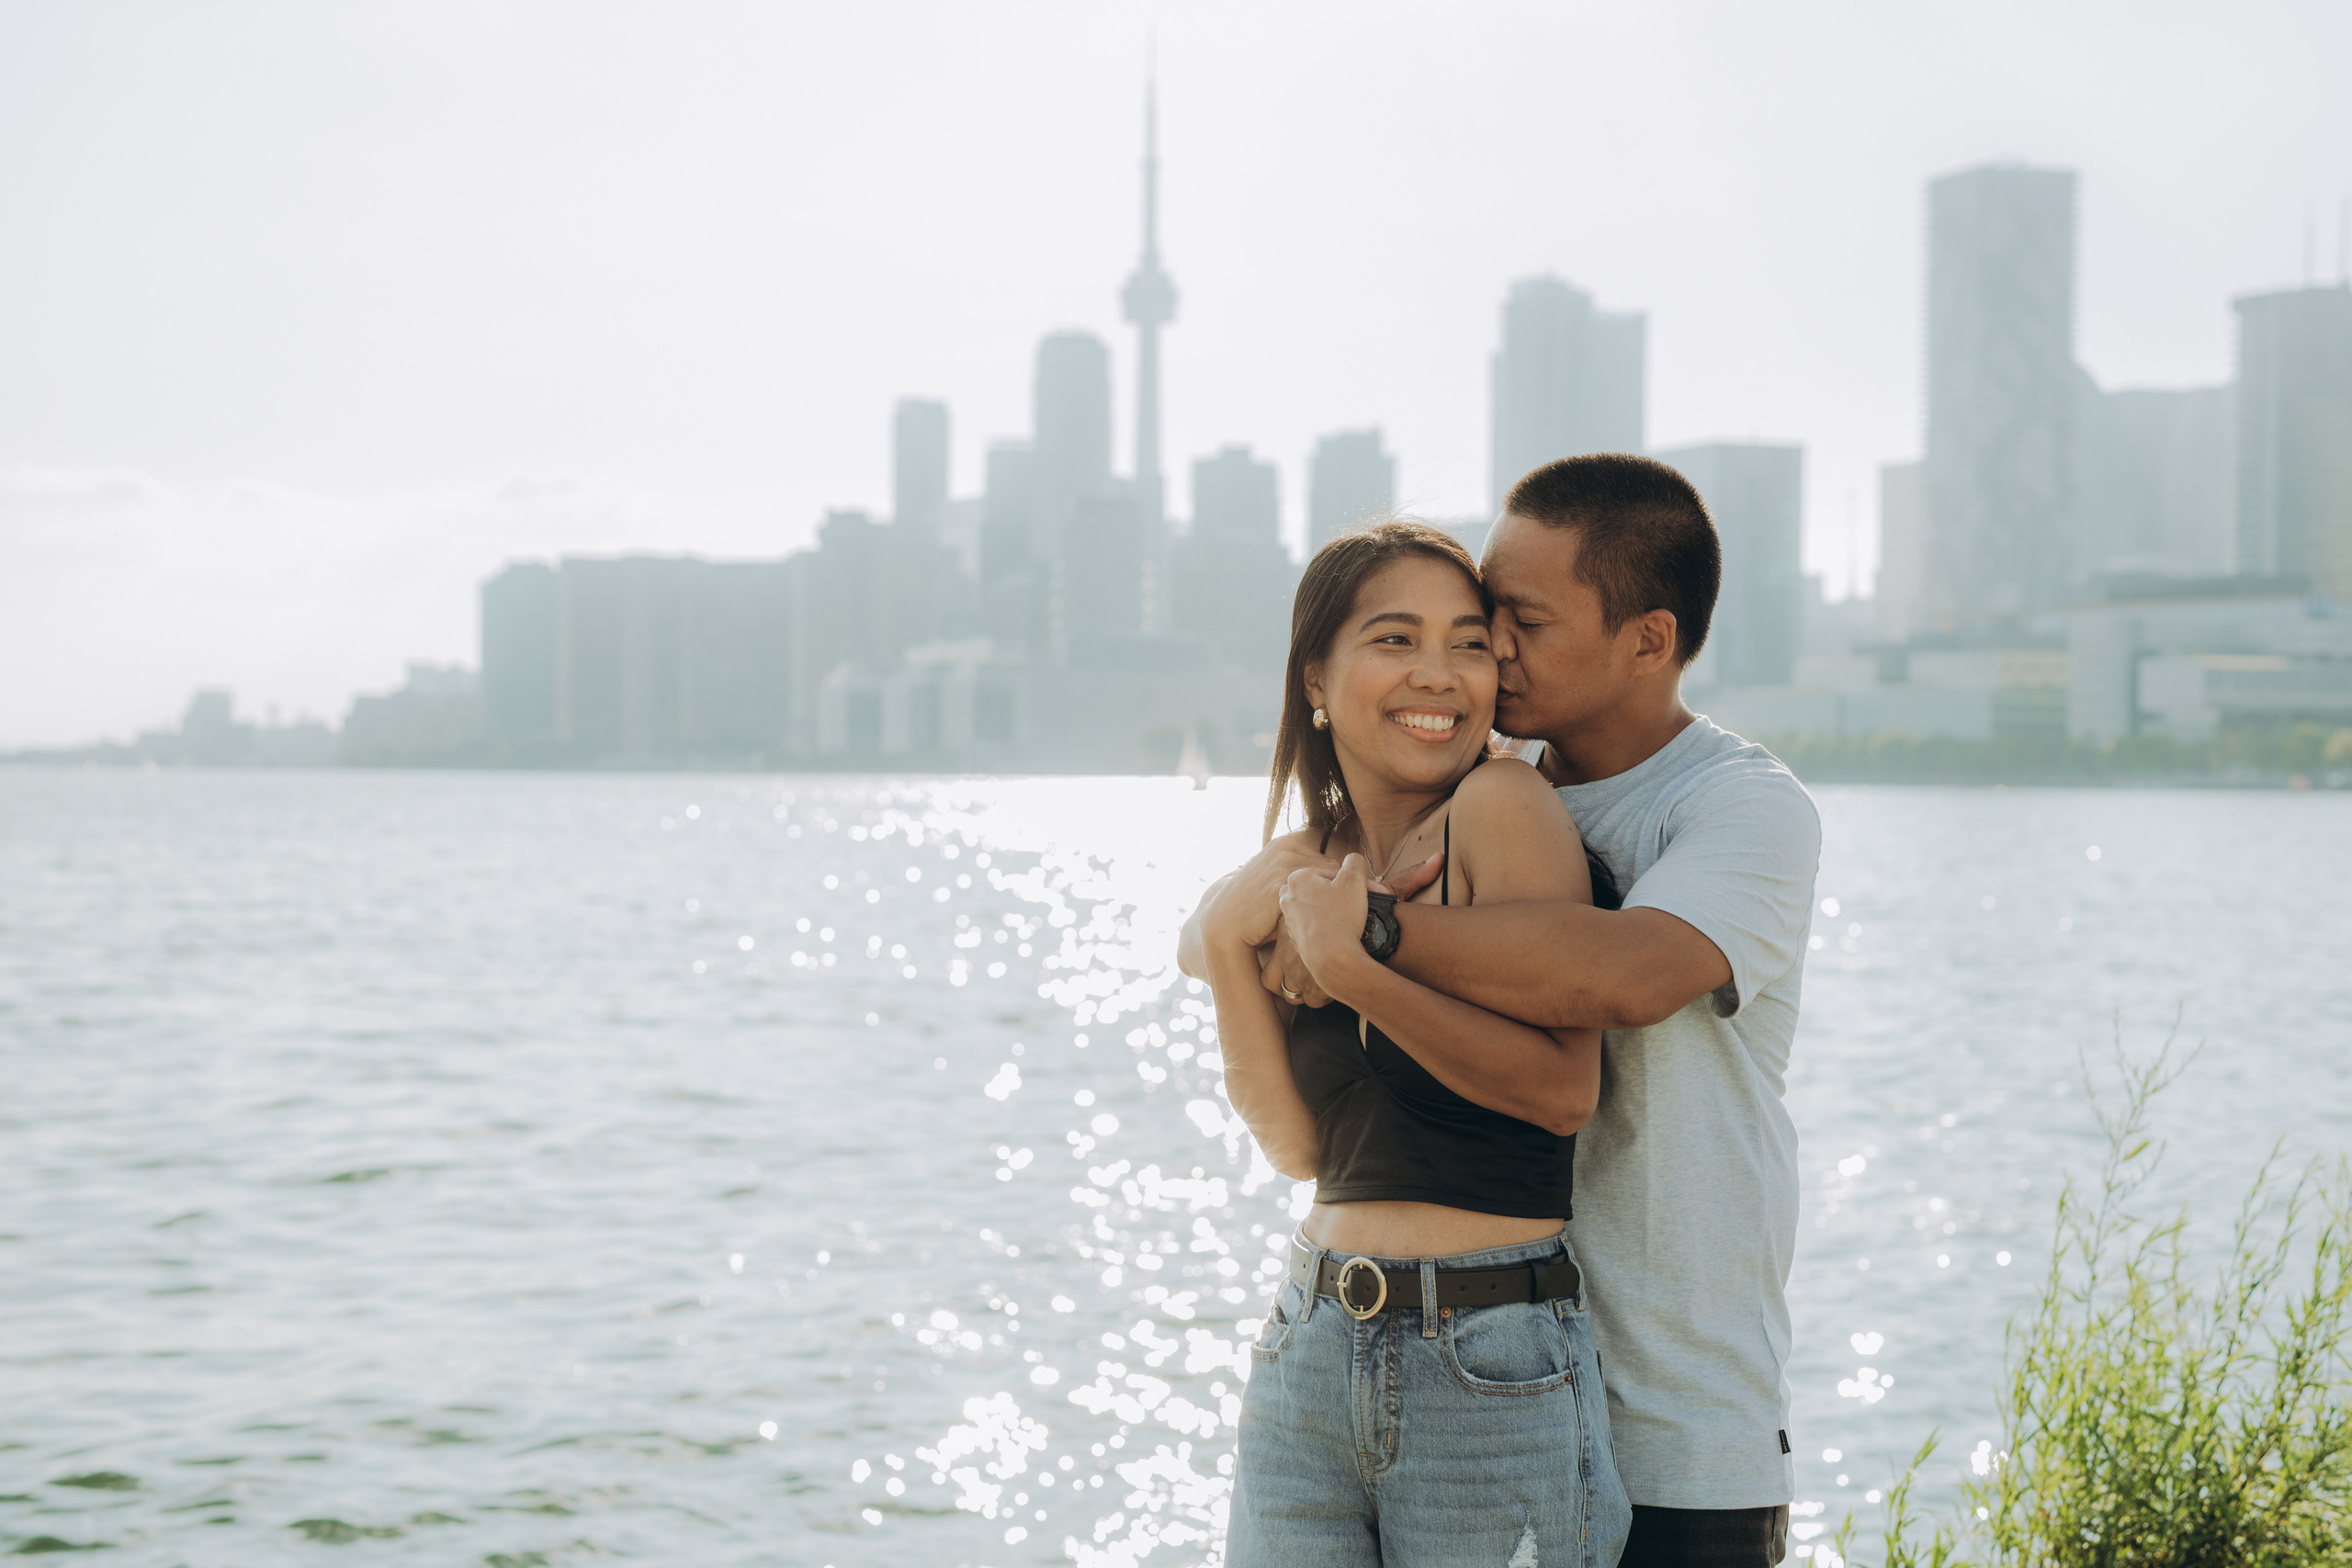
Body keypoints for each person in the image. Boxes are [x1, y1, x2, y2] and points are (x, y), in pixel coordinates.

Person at [1202, 456, 1821, 1568]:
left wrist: (1364, 938)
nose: (1485, 647)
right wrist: (1259, 915)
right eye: (1483, 617)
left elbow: (1627, 976)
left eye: (1511, 622)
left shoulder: (1738, 806)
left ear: (1647, 637)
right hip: (1416, 1350)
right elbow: (1250, 939)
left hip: (1673, 1422)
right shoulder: (1466, 787)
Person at [1183, 520, 1632, 1568]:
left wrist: (1353, 970)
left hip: (1488, 1355)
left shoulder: (1501, 805)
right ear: (1318, 681)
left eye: (1467, 643)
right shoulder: (1310, 862)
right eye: (1395, 640)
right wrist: (1219, 939)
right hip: (1308, 1337)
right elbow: (1301, 1152)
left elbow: (1564, 1091)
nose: (1438, 673)